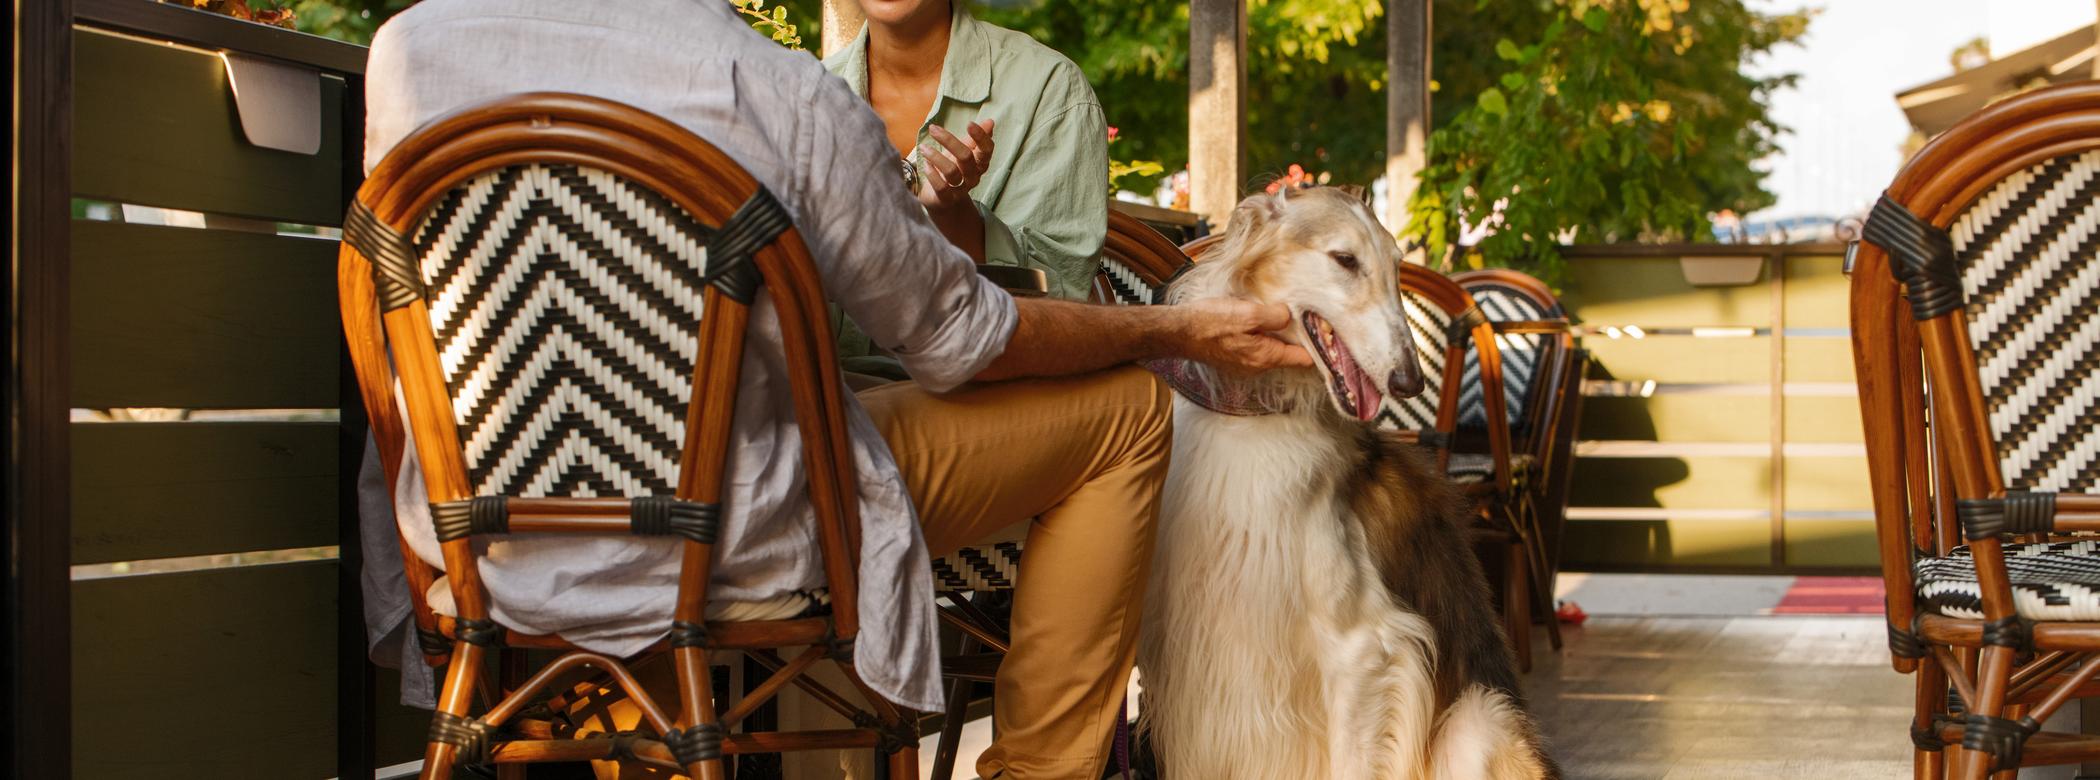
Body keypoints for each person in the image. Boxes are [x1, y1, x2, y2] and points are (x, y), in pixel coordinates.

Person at [354, 2, 1310, 779]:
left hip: (477, 533)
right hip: (733, 534)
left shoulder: (409, 53)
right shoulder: (780, 92)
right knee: (1132, 411)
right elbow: (960, 338)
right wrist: (1179, 328)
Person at [824, 0, 1108, 377]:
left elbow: (1055, 312)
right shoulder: (805, 97)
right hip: (819, 402)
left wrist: (955, 217)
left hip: (978, 400)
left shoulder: (1051, 91)